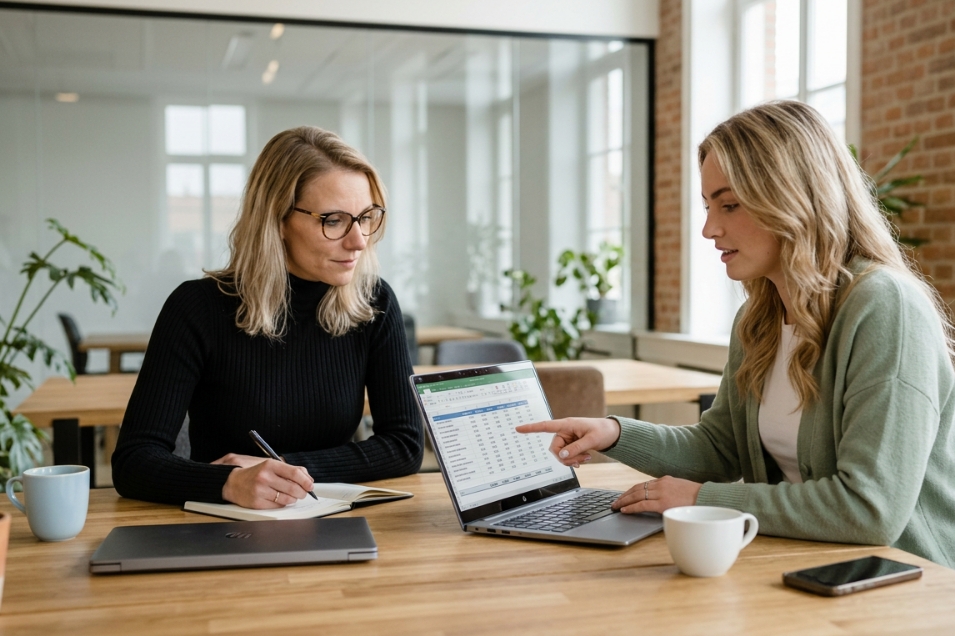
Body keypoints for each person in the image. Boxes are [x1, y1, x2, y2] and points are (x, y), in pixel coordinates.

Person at [518, 100, 955, 567]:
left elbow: (870, 510)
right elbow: (718, 449)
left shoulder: (885, 308)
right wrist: (613, 432)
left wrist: (704, 499)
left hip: (906, 583)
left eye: (729, 204)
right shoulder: (759, 318)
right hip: (808, 566)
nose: (709, 228)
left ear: (791, 198)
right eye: (708, 206)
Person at [113, 126, 423, 509]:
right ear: (277, 220)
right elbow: (133, 461)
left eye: (366, 217)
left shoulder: (373, 301)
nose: (359, 240)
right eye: (334, 220)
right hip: (225, 528)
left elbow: (406, 444)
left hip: (335, 518)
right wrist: (229, 483)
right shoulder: (196, 308)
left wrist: (284, 469)